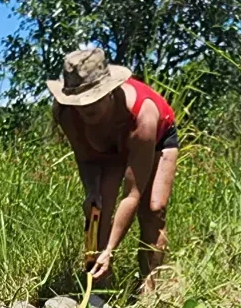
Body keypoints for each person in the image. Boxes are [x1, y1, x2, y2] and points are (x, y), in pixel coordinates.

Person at [48, 48, 179, 289]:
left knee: (153, 209)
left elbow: (132, 194)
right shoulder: (68, 113)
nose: (86, 108)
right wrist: (90, 190)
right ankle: (97, 284)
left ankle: (151, 289)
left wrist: (110, 248)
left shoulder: (142, 115)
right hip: (108, 145)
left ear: (108, 92)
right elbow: (85, 158)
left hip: (154, 138)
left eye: (93, 101)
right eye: (80, 103)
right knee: (97, 207)